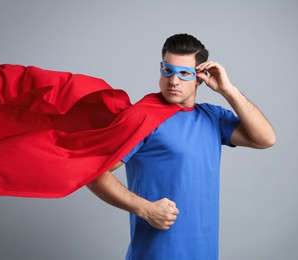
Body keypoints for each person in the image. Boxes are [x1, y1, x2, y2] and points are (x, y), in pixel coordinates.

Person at [87, 33, 276, 260]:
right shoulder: (144, 117)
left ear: (200, 77)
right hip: (155, 254)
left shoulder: (212, 117)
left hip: (204, 253)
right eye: (168, 70)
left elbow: (265, 138)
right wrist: (144, 208)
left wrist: (228, 90)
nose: (173, 81)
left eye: (184, 73)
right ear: (161, 68)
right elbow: (93, 172)